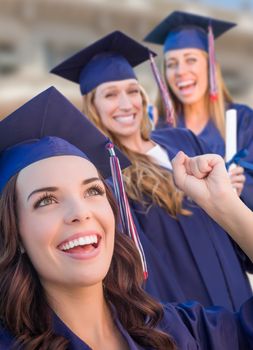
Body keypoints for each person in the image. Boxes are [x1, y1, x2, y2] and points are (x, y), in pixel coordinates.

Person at [1, 88, 253, 350]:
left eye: (93, 191)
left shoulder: (177, 331)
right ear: (15, 232)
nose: (80, 212)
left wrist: (224, 204)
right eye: (46, 200)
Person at [51, 31, 252, 311]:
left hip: (238, 294)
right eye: (110, 95)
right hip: (189, 317)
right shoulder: (106, 175)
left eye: (132, 91)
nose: (126, 104)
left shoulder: (184, 141)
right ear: (92, 107)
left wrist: (231, 196)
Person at [144, 11, 253, 210]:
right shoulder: (155, 129)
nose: (180, 72)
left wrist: (241, 189)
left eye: (191, 59)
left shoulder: (243, 121)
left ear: (211, 66)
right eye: (171, 64)